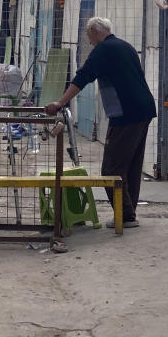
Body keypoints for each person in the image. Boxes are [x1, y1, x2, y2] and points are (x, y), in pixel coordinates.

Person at [45, 17, 156, 229]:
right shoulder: (125, 46)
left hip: (127, 114)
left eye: (89, 36)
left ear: (96, 32)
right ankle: (127, 214)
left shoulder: (104, 49)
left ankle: (126, 216)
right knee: (131, 165)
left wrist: (60, 102)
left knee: (111, 167)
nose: (89, 42)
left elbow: (82, 77)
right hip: (144, 109)